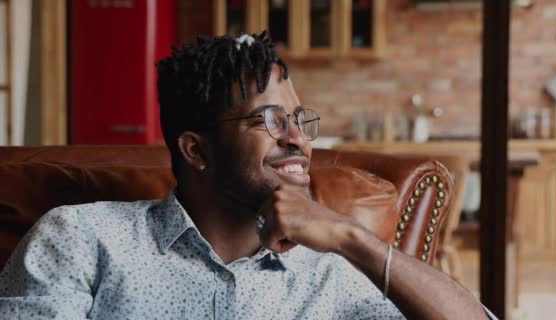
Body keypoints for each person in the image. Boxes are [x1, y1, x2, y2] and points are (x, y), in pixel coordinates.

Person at [0, 32, 496, 319]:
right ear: (196, 150)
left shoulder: (333, 272)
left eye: (300, 121)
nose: (299, 139)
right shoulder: (82, 237)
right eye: (271, 120)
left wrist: (354, 238)